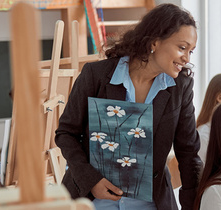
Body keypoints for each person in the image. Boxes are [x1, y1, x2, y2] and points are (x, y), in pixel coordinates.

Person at [55, 3, 202, 210]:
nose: (186, 58)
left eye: (191, 51)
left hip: (151, 204)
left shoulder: (180, 87)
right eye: (182, 48)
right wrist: (91, 180)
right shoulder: (95, 75)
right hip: (92, 202)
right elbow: (66, 133)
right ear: (155, 42)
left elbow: (188, 154)